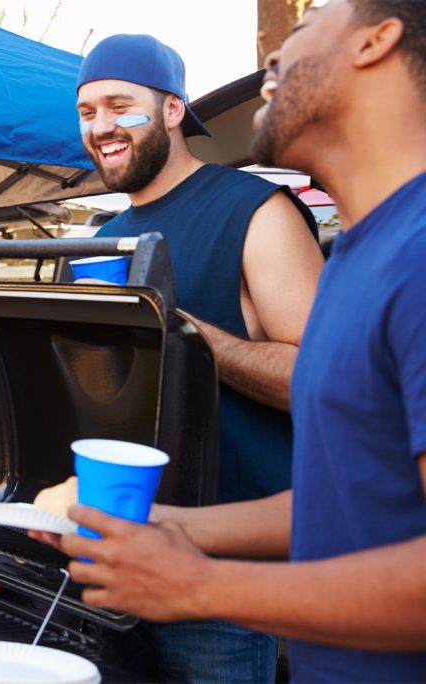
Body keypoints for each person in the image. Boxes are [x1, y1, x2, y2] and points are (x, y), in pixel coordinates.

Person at [34, 1, 426, 681]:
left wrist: (179, 331)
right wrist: (165, 531)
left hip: (232, 597)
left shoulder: (264, 211)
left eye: (301, 29)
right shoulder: (367, 247)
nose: (270, 59)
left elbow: (306, 390)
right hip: (138, 555)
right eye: (86, 111)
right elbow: (345, 488)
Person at [73, 33, 324, 682]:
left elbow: (318, 382)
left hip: (226, 570)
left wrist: (192, 338)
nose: (101, 127)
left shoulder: (254, 209)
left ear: (172, 111)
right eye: (87, 112)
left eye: (119, 105)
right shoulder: (105, 238)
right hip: (119, 548)